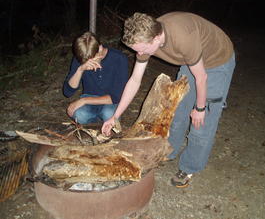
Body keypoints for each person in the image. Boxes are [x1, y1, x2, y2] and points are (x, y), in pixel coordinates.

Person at [102, 12, 236, 188]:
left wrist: (200, 108)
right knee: (176, 113)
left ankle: (189, 167)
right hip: (191, 60)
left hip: (217, 60)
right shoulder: (145, 39)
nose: (139, 53)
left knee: (200, 124)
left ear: (157, 37)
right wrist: (115, 116)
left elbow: (201, 77)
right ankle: (168, 151)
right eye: (136, 50)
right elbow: (135, 80)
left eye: (142, 49)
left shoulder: (183, 37)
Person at [63, 31, 128, 125]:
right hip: (90, 97)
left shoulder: (119, 58)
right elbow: (67, 92)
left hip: (109, 100)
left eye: (92, 58)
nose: (89, 62)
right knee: (79, 115)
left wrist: (83, 100)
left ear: (100, 48)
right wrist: (80, 70)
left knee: (108, 114)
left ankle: (103, 120)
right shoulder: (81, 57)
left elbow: (117, 97)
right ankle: (96, 121)